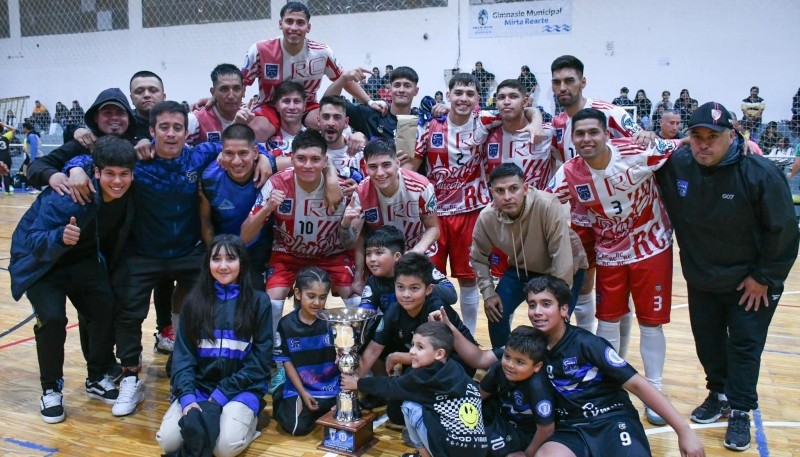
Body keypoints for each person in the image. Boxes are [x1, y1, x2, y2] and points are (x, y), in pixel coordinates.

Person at [656, 102, 799, 451]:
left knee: (745, 346)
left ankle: (740, 410)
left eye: (713, 137)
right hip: (703, 277)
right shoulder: (678, 164)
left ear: (731, 136)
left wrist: (764, 276)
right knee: (708, 342)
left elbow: (784, 231)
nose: (704, 144)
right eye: (697, 136)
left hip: (752, 281)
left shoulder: (760, 172)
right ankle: (718, 394)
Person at [547, 108, 681, 426]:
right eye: (579, 134)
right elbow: (544, 200)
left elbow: (682, 144)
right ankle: (606, 384)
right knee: (606, 320)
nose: (586, 139)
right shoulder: (569, 171)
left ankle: (655, 391)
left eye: (593, 132)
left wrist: (742, 142)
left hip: (651, 247)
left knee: (651, 323)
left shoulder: (638, 150)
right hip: (610, 253)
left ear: (607, 134)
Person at [9, 135, 137, 423]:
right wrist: (59, 236)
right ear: (97, 173)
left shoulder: (126, 191)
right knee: (53, 320)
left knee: (105, 305)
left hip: (82, 261)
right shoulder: (69, 195)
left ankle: (96, 376)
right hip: (43, 264)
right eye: (110, 174)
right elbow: (30, 239)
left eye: (123, 174)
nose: (117, 181)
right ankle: (51, 388)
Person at [526, 275, 706, 457]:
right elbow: (502, 354)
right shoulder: (530, 347)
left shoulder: (589, 344)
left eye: (546, 304)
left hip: (611, 420)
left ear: (564, 309)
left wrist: (684, 431)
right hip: (571, 428)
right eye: (532, 305)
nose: (537, 311)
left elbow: (638, 384)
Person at [550, 54, 641, 339]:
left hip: (619, 218)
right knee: (584, 282)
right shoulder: (558, 124)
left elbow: (643, 144)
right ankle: (587, 346)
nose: (562, 87)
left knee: (618, 294)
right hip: (581, 218)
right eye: (556, 82)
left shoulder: (609, 113)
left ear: (583, 82)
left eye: (569, 81)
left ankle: (619, 358)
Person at [156, 235, 272, 457]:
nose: (223, 266)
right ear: (207, 263)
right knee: (168, 442)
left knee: (224, 449)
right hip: (201, 387)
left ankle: (250, 421)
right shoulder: (193, 302)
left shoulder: (259, 302)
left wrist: (221, 395)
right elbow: (183, 357)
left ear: (242, 262)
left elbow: (260, 361)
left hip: (241, 389)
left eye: (231, 258)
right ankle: (223, 422)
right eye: (216, 259)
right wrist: (188, 398)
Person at [242, 129, 357, 330]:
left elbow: (355, 236)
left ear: (325, 161)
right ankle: (274, 351)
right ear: (292, 159)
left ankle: (359, 350)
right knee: (272, 303)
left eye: (315, 159)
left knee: (356, 301)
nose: (308, 165)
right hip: (288, 254)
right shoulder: (277, 184)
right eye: (301, 159)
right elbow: (244, 236)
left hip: (332, 254)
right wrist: (267, 208)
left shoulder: (343, 187)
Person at [409, 73, 491, 334]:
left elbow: (525, 109)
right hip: (435, 215)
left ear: (478, 99)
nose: (463, 98)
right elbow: (411, 166)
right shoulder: (430, 127)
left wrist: (536, 121)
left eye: (470, 93)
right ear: (448, 95)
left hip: (470, 213)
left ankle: (466, 335)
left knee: (469, 280)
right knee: (430, 280)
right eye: (458, 92)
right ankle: (431, 336)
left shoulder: (486, 122)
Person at [357, 253, 477, 425]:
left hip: (455, 362)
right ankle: (387, 392)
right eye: (400, 287)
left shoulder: (435, 309)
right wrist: (353, 382)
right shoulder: (394, 310)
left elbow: (439, 357)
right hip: (422, 360)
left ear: (428, 289)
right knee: (396, 412)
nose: (406, 294)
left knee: (402, 406)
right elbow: (373, 350)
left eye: (414, 288)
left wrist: (400, 357)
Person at [342, 321, 489, 457]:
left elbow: (391, 386)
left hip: (451, 450)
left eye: (420, 347)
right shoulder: (455, 369)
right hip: (479, 449)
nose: (412, 351)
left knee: (409, 406)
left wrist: (358, 383)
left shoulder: (426, 376)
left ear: (439, 353)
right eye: (412, 344)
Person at [470, 163, 574, 348]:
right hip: (521, 269)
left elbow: (562, 258)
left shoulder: (548, 205)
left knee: (554, 320)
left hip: (561, 269)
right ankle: (504, 362)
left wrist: (553, 298)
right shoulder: (486, 217)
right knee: (496, 312)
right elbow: (478, 258)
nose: (507, 196)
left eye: (514, 189)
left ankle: (552, 365)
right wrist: (488, 292)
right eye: (500, 191)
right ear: (491, 192)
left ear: (525, 188)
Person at [240, 2, 374, 142]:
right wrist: (234, 107)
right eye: (289, 21)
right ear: (280, 24)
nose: (294, 27)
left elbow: (344, 79)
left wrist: (370, 102)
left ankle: (341, 155)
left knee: (326, 123)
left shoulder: (322, 53)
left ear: (308, 27)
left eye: (300, 23)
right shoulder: (259, 50)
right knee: (258, 130)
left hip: (306, 106)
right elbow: (240, 83)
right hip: (269, 105)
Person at [432, 307, 556, 457]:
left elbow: (546, 429)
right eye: (507, 357)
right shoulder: (499, 367)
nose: (510, 364)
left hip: (521, 433)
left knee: (476, 445)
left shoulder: (538, 387)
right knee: (447, 419)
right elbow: (478, 396)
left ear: (537, 366)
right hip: (499, 417)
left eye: (520, 362)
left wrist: (527, 454)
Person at [344, 139, 439, 295]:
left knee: (438, 296)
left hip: (417, 249)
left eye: (386, 165)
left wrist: (416, 251)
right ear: (365, 167)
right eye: (373, 167)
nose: (380, 173)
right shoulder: (361, 193)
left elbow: (433, 228)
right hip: (381, 257)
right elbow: (357, 239)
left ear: (397, 163)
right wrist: (358, 277)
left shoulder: (421, 186)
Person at [199, 124, 274, 287]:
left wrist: (331, 174)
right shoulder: (209, 179)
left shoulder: (269, 170)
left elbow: (300, 160)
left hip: (259, 249)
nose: (236, 161)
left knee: (256, 303)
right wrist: (217, 257)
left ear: (255, 152)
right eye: (229, 153)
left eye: (243, 153)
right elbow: (206, 223)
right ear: (221, 152)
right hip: (223, 248)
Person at [272, 267, 338, 436]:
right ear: (298, 294)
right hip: (299, 389)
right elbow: (286, 361)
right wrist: (303, 393)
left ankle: (323, 407)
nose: (317, 302)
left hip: (329, 389)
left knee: (343, 418)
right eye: (311, 296)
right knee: (296, 428)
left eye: (322, 297)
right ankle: (280, 395)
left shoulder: (333, 322)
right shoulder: (286, 324)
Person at [326, 66, 419, 141]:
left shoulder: (422, 122)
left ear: (416, 91)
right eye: (397, 85)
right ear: (390, 90)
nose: (401, 90)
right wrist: (343, 78)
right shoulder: (371, 115)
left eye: (407, 86)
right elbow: (327, 103)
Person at [187, 64, 247, 145]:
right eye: (224, 89)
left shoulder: (252, 115)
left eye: (236, 89)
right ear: (213, 92)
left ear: (243, 91)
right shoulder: (195, 120)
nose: (231, 96)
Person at [0, 121, 17, 194]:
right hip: (6, 156)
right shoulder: (5, 136)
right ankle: (7, 191)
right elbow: (13, 129)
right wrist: (3, 124)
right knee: (6, 173)